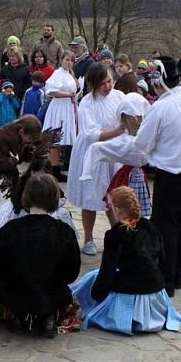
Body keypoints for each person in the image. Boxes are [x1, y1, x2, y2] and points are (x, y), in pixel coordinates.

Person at [134, 56, 181, 297]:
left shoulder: (160, 107)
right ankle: (177, 275)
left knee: (166, 227)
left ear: (160, 80)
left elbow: (142, 143)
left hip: (172, 173)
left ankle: (167, 280)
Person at [71, 186, 181, 335]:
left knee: (92, 277)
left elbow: (107, 270)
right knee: (97, 276)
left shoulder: (116, 234)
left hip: (132, 294)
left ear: (118, 210)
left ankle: (75, 301)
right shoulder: (150, 227)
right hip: (155, 292)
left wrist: (97, 295)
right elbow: (159, 259)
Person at [0, 173, 81, 337]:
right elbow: (72, 272)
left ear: (27, 196)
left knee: (3, 290)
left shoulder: (10, 229)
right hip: (53, 295)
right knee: (59, 292)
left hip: (14, 293)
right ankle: (47, 317)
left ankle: (19, 315)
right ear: (54, 198)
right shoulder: (65, 232)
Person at [66, 63, 126, 256]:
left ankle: (118, 236)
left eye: (109, 81)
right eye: (102, 84)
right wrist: (118, 131)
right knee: (91, 196)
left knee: (114, 196)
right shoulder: (87, 103)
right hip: (93, 153)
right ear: (92, 85)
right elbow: (92, 133)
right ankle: (89, 239)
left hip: (113, 152)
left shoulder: (119, 97)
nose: (108, 86)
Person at [80, 92, 152, 219]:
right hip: (137, 175)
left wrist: (87, 172)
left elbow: (96, 148)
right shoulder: (145, 138)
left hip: (128, 175)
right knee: (136, 207)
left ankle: (126, 226)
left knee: (125, 206)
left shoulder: (126, 141)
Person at [0, 158, 78, 236]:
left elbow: (60, 198)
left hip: (46, 211)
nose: (42, 177)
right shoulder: (24, 182)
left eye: (46, 173)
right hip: (24, 210)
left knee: (63, 214)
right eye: (39, 173)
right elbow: (15, 198)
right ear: (32, 171)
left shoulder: (50, 183)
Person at [43, 52, 79, 182]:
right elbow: (51, 91)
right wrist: (68, 94)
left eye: (71, 60)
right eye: (67, 59)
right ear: (62, 60)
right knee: (56, 140)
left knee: (63, 141)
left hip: (69, 107)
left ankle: (56, 168)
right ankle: (54, 170)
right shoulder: (58, 74)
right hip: (59, 108)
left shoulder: (69, 75)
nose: (69, 62)